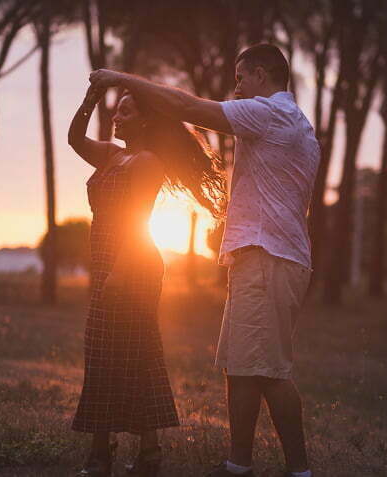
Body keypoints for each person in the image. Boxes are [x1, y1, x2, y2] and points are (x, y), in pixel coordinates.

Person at [90, 43, 320, 477]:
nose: (237, 88)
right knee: (242, 367)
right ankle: (238, 465)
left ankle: (300, 471)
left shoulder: (270, 112)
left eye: (241, 78)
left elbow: (185, 106)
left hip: (267, 257)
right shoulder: (297, 123)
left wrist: (120, 78)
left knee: (270, 371)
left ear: (262, 75)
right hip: (262, 257)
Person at [68, 85, 227, 477]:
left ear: (145, 121)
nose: (116, 117)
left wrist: (120, 272)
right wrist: (90, 99)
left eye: (125, 112)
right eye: (116, 111)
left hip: (132, 265)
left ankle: (104, 454)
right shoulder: (112, 155)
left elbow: (137, 221)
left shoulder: (147, 162)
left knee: (125, 352)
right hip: (107, 262)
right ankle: (144, 452)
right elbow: (74, 139)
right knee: (110, 353)